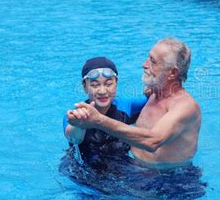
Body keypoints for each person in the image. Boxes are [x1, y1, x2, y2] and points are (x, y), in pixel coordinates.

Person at [68, 37, 201, 168]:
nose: (145, 64)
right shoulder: (155, 94)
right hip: (136, 169)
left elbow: (152, 141)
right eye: (148, 57)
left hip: (174, 180)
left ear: (172, 73)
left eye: (153, 62)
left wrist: (98, 120)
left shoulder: (185, 107)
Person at [63, 56, 146, 170]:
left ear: (116, 83)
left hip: (121, 167)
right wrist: (80, 125)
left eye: (108, 84)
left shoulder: (125, 105)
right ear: (85, 87)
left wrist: (152, 92)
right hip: (85, 174)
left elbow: (158, 100)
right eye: (95, 85)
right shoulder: (77, 115)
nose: (102, 91)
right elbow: (73, 138)